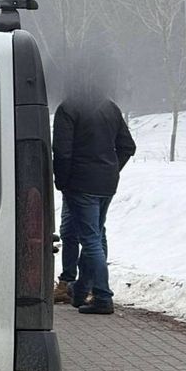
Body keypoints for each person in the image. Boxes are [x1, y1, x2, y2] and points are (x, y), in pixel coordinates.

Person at [52, 71, 136, 315]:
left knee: (90, 240)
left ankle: (102, 295)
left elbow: (63, 152)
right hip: (106, 184)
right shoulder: (110, 107)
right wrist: (110, 168)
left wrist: (63, 182)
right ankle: (80, 291)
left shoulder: (68, 109)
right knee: (96, 236)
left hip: (81, 184)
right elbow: (127, 146)